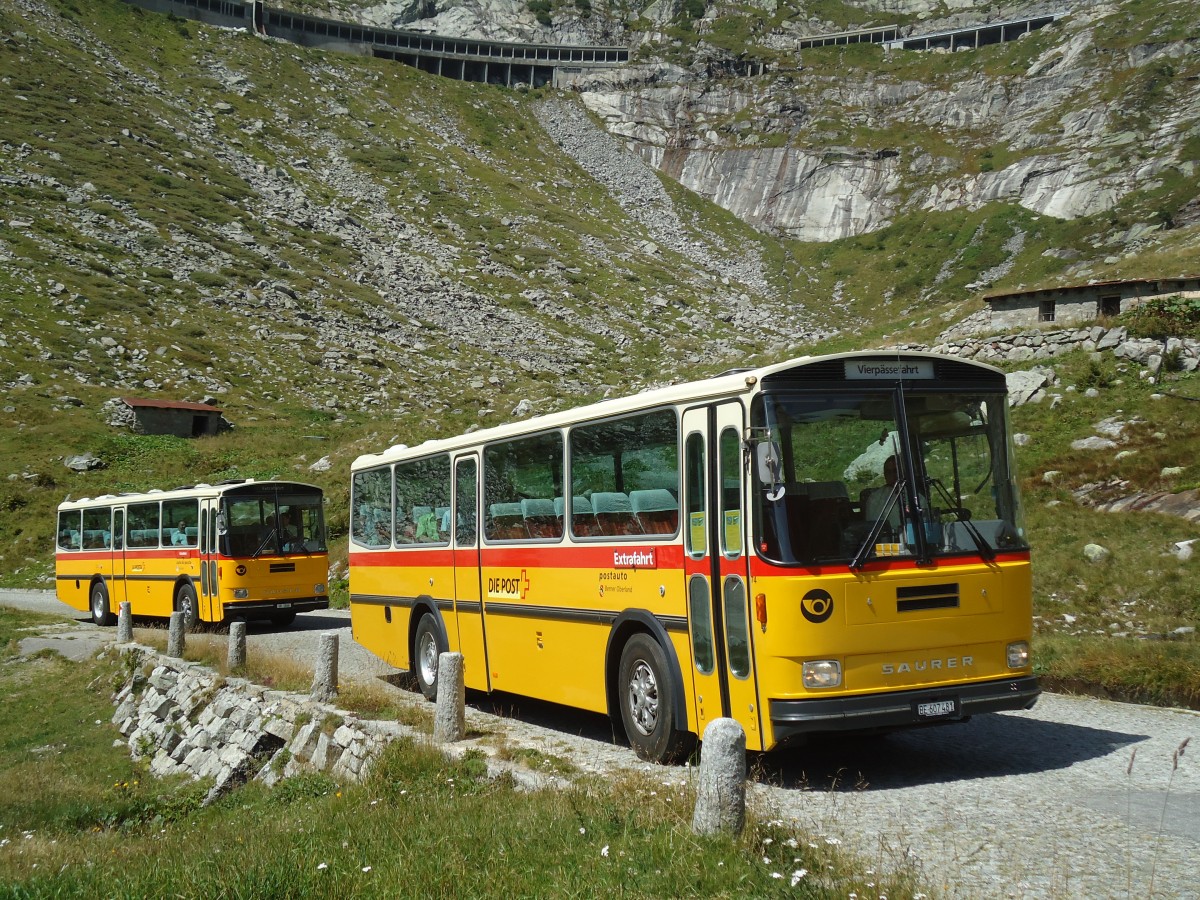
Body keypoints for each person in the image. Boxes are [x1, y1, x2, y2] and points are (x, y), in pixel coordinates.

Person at [861, 456, 902, 531]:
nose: (892, 475)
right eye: (888, 472)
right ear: (885, 475)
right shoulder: (875, 498)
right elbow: (874, 528)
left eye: (895, 471)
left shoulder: (915, 495)